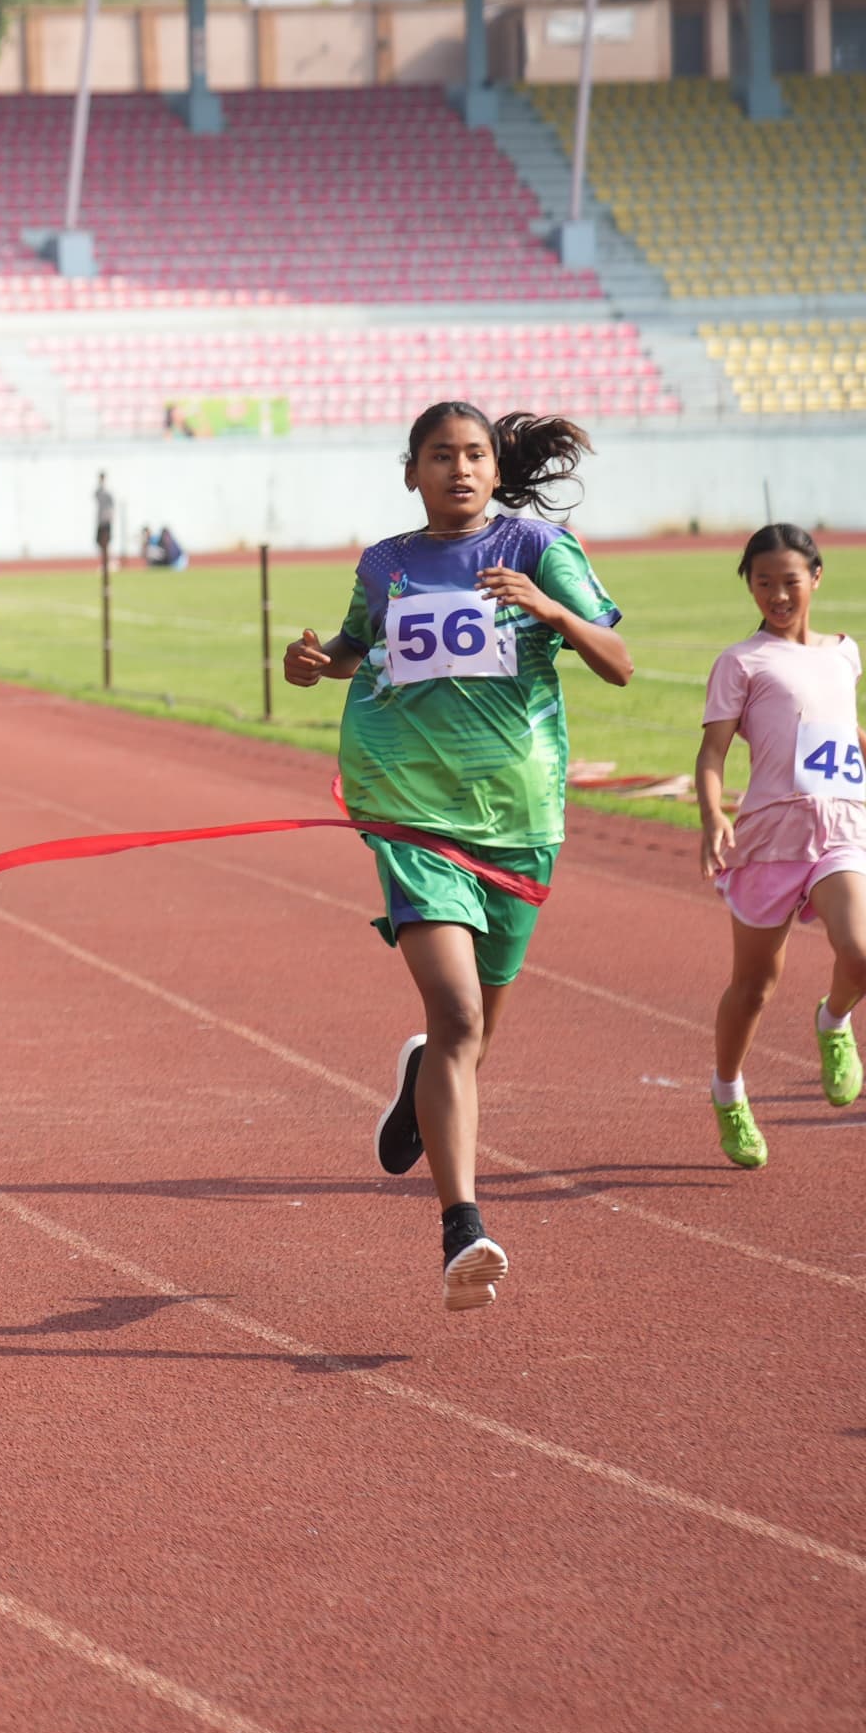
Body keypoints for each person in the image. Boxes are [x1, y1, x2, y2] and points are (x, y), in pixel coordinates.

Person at [283, 405, 628, 1310]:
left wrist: (549, 608)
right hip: (408, 812)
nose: (460, 469)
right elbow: (358, 652)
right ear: (412, 472)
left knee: (468, 1041)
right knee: (459, 1014)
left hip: (518, 824)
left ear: (492, 464)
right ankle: (461, 1228)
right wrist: (314, 662)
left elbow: (619, 661)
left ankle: (416, 1085)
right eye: (441, 456)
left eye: (474, 454)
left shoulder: (541, 547)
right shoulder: (385, 562)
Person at [697, 524, 866, 1167]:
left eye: (789, 580)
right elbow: (712, 751)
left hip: (842, 827)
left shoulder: (844, 653)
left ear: (816, 578)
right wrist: (714, 814)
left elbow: (841, 728)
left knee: (860, 951)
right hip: (772, 835)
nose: (776, 593)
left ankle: (834, 1020)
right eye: (762, 581)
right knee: (755, 986)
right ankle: (729, 1094)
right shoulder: (742, 662)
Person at [92, 472, 118, 567]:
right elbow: (95, 495)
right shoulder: (99, 491)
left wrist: (110, 517)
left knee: (107, 542)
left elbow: (112, 505)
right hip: (100, 520)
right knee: (99, 541)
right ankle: (105, 561)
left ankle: (110, 562)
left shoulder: (108, 491)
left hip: (106, 520)